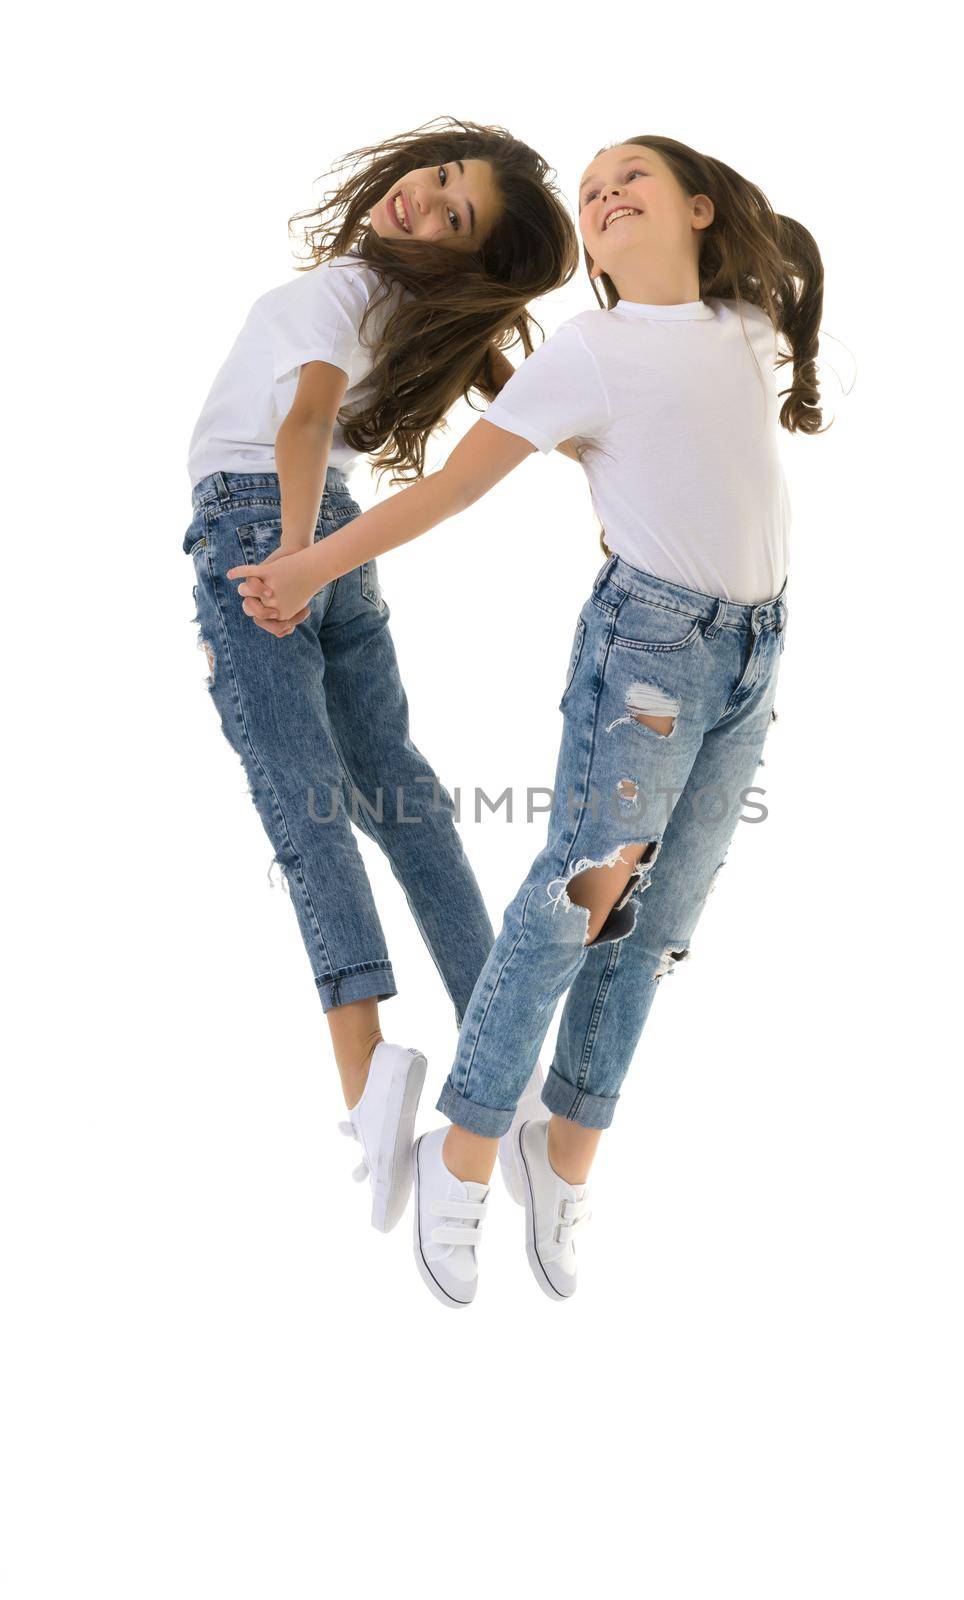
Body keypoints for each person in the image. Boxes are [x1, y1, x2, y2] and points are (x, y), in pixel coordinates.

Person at [228, 135, 825, 1305]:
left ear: (698, 210)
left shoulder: (746, 322)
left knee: (659, 925)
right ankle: (463, 1149)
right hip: (648, 656)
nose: (604, 194)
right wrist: (308, 566)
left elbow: (793, 267)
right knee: (576, 902)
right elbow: (447, 491)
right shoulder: (588, 353)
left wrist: (786, 287)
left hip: (756, 651)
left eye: (630, 179)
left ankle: (565, 1151)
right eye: (592, 188)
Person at [183, 117, 577, 1236]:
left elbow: (305, 420)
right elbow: (318, 425)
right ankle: (507, 1056)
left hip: (265, 534)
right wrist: (319, 551)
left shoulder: (339, 289)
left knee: (304, 805)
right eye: (441, 177)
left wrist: (293, 561)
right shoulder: (392, 307)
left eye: (454, 216)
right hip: (331, 540)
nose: (424, 198)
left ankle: (368, 1080)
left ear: (456, 260)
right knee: (399, 799)